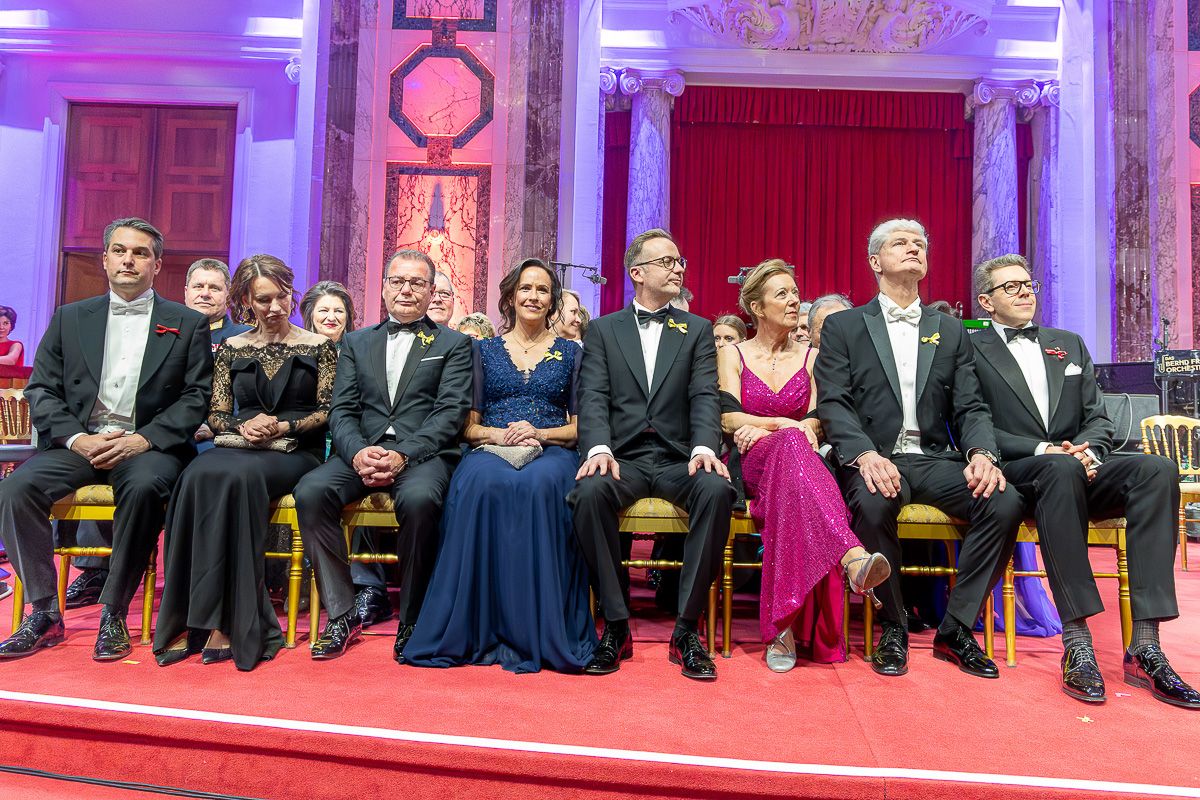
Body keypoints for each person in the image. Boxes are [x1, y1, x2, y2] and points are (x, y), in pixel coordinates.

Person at [972, 253, 1198, 708]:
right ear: (986, 301)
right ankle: (1077, 642)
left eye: (1028, 284)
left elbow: (1097, 417)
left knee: (1156, 469)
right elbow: (972, 422)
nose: (1025, 292)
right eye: (1011, 286)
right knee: (1059, 468)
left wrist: (1089, 451)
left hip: (1077, 465)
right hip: (1019, 472)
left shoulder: (1068, 343)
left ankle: (1145, 646)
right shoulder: (970, 349)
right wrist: (1045, 450)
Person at [814, 218, 1021, 679]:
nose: (914, 249)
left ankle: (956, 627)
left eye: (920, 244)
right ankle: (894, 624)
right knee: (872, 503)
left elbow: (970, 405)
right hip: (873, 456)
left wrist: (982, 454)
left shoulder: (950, 329)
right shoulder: (845, 326)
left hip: (933, 457)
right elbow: (834, 402)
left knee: (1004, 500)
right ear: (875, 261)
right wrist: (864, 454)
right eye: (901, 243)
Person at [0, 217, 211, 661]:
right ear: (105, 260)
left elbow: (196, 398)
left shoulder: (187, 322)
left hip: (147, 446)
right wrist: (76, 438)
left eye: (140, 253)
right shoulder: (70, 317)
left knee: (145, 488)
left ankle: (113, 610)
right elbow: (41, 390)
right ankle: (44, 611)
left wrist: (143, 440)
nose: (128, 260)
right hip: (81, 442)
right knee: (15, 490)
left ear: (156, 265)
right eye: (120, 251)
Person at [404, 258, 597, 673]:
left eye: (543, 290)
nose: (533, 296)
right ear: (510, 297)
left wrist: (540, 433)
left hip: (552, 448)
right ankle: (476, 624)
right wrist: (496, 435)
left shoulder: (572, 353)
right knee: (480, 484)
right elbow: (468, 426)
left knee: (540, 486)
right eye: (525, 288)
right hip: (491, 446)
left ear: (553, 300)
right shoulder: (482, 350)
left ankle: (539, 629)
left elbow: (580, 428)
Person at [153, 256, 336, 670]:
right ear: (246, 302)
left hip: (295, 450)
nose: (274, 307)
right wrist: (245, 424)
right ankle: (189, 618)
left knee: (237, 477)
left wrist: (282, 425)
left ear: (292, 294)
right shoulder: (232, 348)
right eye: (263, 299)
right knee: (196, 474)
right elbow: (217, 413)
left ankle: (231, 622)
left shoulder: (318, 345)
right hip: (242, 441)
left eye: (281, 297)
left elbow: (328, 409)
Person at [570, 228, 735, 681]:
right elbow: (593, 396)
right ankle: (616, 624)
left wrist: (704, 447)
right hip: (622, 456)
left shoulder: (696, 329)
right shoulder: (603, 329)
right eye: (667, 261)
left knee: (717, 491)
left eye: (680, 261)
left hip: (679, 456)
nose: (678, 268)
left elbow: (705, 395)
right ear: (637, 272)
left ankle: (686, 629)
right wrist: (598, 447)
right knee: (588, 494)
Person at [294, 250, 472, 662]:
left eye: (416, 283)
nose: (406, 289)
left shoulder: (454, 344)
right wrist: (357, 452)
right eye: (397, 281)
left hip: (423, 454)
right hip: (363, 450)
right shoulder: (357, 342)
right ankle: (342, 613)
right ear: (384, 288)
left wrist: (403, 455)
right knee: (312, 491)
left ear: (431, 291)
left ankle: (412, 618)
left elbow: (450, 414)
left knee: (420, 500)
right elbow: (342, 409)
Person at [719, 260, 890, 672]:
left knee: (795, 456)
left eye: (795, 292)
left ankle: (783, 630)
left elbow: (818, 421)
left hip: (799, 464)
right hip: (752, 463)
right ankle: (852, 557)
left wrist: (788, 429)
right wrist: (780, 425)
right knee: (794, 442)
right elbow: (727, 418)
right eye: (782, 294)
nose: (794, 300)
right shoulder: (732, 353)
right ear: (757, 307)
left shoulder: (814, 357)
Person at [185, 258, 252, 352]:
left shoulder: (246, 336)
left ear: (228, 295)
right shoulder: (168, 333)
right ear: (186, 292)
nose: (205, 294)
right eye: (198, 286)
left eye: (215, 288)